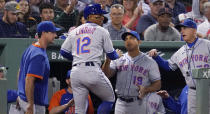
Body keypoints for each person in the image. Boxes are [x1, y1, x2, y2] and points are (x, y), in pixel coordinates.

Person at [60, 3, 119, 114]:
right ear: (89, 16)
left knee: (79, 110)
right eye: (98, 16)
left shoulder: (74, 31)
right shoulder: (102, 31)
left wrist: (77, 59)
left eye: (102, 16)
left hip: (76, 72)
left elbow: (63, 51)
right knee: (109, 99)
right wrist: (118, 55)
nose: (102, 18)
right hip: (92, 71)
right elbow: (111, 55)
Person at [148, 18, 210, 114]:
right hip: (191, 90)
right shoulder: (180, 52)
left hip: (207, 89)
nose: (182, 31)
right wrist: (156, 57)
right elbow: (168, 66)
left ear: (194, 30)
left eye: (185, 28)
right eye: (181, 29)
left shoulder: (207, 45)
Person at [102, 31, 164, 114]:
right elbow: (106, 75)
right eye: (126, 39)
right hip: (120, 103)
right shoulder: (119, 59)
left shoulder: (149, 61)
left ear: (139, 42)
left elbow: (158, 84)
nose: (128, 40)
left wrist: (146, 89)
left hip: (139, 103)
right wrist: (108, 59)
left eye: (131, 38)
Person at [17, 21, 60, 114]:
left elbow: (20, 71)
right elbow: (29, 80)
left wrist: (19, 93)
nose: (55, 35)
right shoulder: (39, 55)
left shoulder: (31, 48)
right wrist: (30, 104)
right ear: (44, 33)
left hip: (23, 99)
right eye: (52, 32)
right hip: (34, 104)